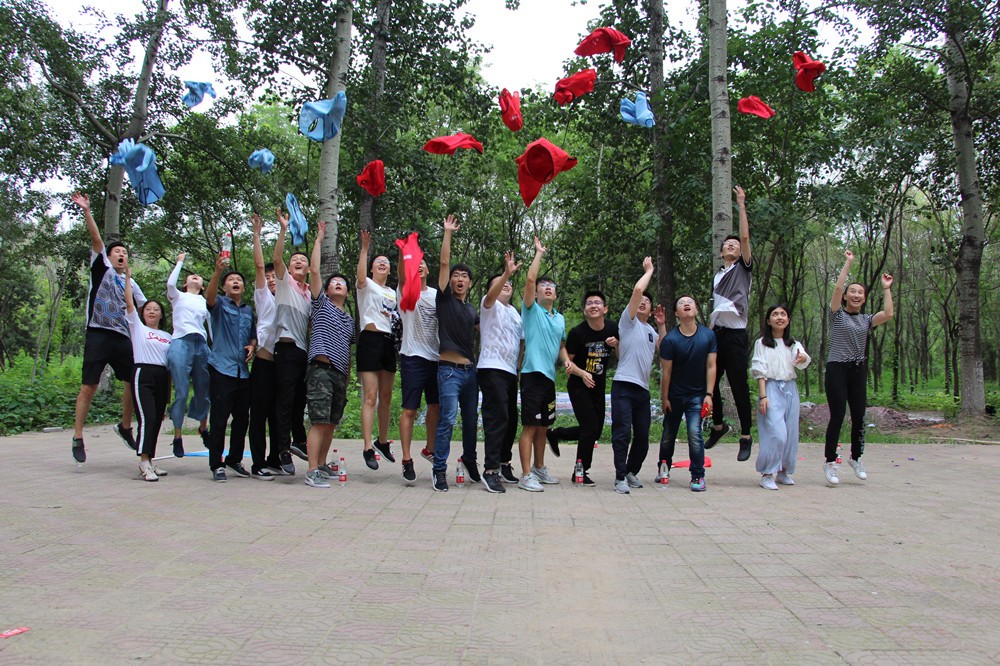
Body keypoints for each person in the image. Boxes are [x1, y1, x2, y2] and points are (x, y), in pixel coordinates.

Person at [70, 192, 147, 462]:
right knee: (88, 387)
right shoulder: (101, 268)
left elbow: (144, 310)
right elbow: (96, 240)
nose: (122, 255)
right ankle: (78, 435)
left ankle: (125, 427)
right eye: (118, 252)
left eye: (125, 253)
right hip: (98, 333)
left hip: (122, 336)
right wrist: (87, 211)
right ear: (109, 256)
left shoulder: (131, 283)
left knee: (132, 380)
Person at [824, 250, 894, 485]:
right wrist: (848, 262)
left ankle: (856, 458)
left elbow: (888, 313)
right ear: (845, 297)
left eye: (860, 293)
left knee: (859, 416)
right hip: (836, 368)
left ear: (864, 299)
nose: (856, 295)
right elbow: (836, 288)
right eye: (852, 291)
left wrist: (886, 289)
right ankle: (830, 462)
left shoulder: (866, 320)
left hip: (857, 371)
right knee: (838, 415)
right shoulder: (836, 316)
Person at [303, 221, 357, 488]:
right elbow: (314, 270)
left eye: (342, 283)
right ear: (326, 290)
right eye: (333, 282)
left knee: (331, 422)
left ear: (347, 293)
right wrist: (319, 239)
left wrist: (347, 376)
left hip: (339, 375)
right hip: (320, 370)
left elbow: (348, 351)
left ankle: (322, 464)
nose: (338, 284)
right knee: (319, 420)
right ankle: (311, 469)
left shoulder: (349, 320)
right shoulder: (321, 305)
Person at [546, 290, 618, 485]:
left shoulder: (613, 328)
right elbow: (568, 364)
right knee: (590, 427)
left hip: (598, 386)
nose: (593, 305)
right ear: (585, 310)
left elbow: (621, 355)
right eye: (589, 303)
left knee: (595, 431)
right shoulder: (577, 333)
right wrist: (583, 374)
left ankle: (556, 433)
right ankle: (580, 471)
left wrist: (617, 345)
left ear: (605, 309)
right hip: (578, 385)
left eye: (597, 302)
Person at [517, 237, 571, 492]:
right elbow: (529, 279)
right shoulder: (531, 310)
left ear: (556, 294)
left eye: (551, 286)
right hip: (532, 375)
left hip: (549, 378)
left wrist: (567, 361)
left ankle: (539, 468)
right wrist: (538, 253)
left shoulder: (560, 319)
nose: (547, 288)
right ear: (536, 293)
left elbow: (560, 346)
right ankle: (526, 475)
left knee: (543, 426)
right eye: (543, 286)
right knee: (530, 426)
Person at [430, 215, 481, 492]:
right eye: (456, 276)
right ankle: (439, 470)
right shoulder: (444, 299)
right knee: (448, 420)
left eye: (464, 276)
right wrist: (447, 233)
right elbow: (444, 263)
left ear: (470, 283)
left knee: (471, 421)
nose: (459, 279)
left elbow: (489, 329)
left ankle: (470, 459)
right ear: (450, 281)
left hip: (471, 373)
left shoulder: (472, 309)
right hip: (448, 372)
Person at [706, 186, 754, 462]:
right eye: (728, 244)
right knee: (709, 382)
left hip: (736, 336)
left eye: (736, 244)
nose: (732, 245)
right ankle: (718, 426)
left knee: (738, 386)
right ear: (722, 250)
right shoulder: (717, 275)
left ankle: (745, 435)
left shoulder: (743, 269)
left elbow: (745, 236)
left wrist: (741, 205)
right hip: (717, 335)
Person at [610, 258, 665, 494]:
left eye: (647, 302)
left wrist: (661, 325)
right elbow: (637, 290)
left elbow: (665, 349)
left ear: (651, 311)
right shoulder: (628, 322)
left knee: (642, 435)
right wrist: (649, 270)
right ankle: (619, 476)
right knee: (622, 433)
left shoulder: (651, 330)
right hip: (623, 385)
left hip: (642, 390)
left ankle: (631, 471)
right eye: (640, 300)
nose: (642, 302)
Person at [205, 254, 256, 482]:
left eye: (239, 280)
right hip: (221, 369)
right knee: (219, 419)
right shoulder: (218, 304)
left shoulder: (247, 310)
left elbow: (253, 335)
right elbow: (209, 298)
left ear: (243, 287)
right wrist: (218, 272)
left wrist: (252, 346)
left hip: (242, 373)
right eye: (231, 280)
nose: (236, 282)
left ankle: (234, 459)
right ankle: (216, 464)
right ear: (225, 287)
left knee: (242, 419)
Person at [658, 296, 717, 493]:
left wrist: (709, 394)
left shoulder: (708, 335)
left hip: (697, 396)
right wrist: (664, 398)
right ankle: (663, 467)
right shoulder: (670, 340)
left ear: (695, 309)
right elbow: (666, 372)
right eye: (682, 303)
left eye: (690, 302)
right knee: (668, 435)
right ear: (676, 313)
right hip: (674, 396)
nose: (686, 304)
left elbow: (711, 366)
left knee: (694, 433)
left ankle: (698, 475)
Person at [271, 207, 313, 476]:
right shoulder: (284, 282)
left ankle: (298, 441)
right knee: (285, 401)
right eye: (294, 259)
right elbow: (276, 259)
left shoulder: (309, 293)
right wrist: (283, 229)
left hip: (302, 352)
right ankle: (283, 449)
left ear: (308, 269)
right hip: (285, 349)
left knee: (299, 401)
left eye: (302, 260)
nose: (298, 261)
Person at [751, 304, 811, 490]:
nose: (779, 317)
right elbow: (759, 370)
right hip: (770, 388)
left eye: (783, 314)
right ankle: (767, 473)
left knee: (791, 434)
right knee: (776, 434)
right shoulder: (761, 343)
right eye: (775, 314)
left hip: (790, 389)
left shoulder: (793, 344)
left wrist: (802, 358)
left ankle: (784, 471)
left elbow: (802, 359)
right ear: (768, 320)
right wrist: (763, 396)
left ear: (788, 320)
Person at [478, 253, 524, 486]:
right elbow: (491, 295)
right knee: (497, 418)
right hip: (491, 367)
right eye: (501, 283)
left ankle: (504, 462)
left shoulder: (515, 312)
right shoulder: (490, 305)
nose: (506, 284)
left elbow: (521, 342)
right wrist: (506, 273)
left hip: (509, 372)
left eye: (509, 283)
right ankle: (490, 470)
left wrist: (518, 368)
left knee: (511, 419)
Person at [123, 264, 172, 481]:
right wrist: (128, 279)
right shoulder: (137, 327)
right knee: (148, 417)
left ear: (161, 315)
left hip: (162, 376)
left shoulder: (168, 336)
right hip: (143, 374)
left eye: (156, 309)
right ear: (142, 313)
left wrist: (169, 393)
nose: (152, 311)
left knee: (157, 419)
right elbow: (129, 302)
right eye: (148, 309)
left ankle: (150, 460)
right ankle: (144, 462)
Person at [356, 227, 399, 470]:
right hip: (370, 340)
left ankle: (382, 441)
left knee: (386, 396)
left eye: (386, 263)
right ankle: (366, 447)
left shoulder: (392, 292)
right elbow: (361, 277)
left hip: (388, 343)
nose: (383, 264)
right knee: (370, 396)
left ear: (390, 270)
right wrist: (365, 249)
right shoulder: (366, 285)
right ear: (372, 268)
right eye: (378, 262)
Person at [396, 249, 440, 483]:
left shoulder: (436, 295)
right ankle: (406, 459)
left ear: (428, 270)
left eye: (422, 263)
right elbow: (402, 275)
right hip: (413, 357)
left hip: (436, 359)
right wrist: (404, 255)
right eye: (415, 264)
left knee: (436, 406)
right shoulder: (406, 291)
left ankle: (430, 449)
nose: (419, 266)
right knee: (410, 410)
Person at [165, 252, 210, 458]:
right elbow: (170, 283)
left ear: (202, 286)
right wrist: (180, 262)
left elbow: (211, 328)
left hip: (201, 344)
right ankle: (177, 436)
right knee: (182, 392)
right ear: (184, 284)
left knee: (204, 391)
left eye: (199, 277)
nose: (195, 276)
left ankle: (203, 427)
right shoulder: (178, 296)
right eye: (191, 276)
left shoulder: (204, 302)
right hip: (181, 342)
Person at [249, 214, 282, 480]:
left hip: (282, 365)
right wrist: (257, 235)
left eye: (274, 276)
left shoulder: (289, 299)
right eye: (268, 277)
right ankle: (257, 462)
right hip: (263, 362)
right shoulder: (263, 298)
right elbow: (259, 266)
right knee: (259, 415)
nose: (271, 279)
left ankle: (275, 459)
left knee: (276, 414)